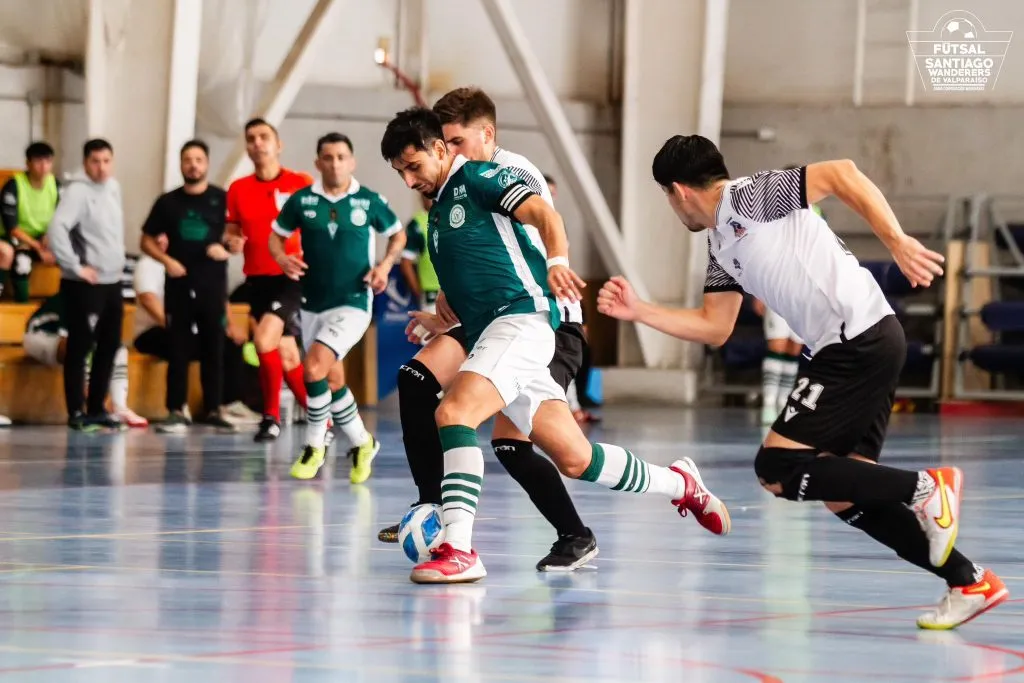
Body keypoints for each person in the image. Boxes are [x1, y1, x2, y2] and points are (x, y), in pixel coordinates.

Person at [597, 134, 1008, 630]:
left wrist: (897, 242)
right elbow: (715, 326)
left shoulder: (748, 197)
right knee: (845, 491)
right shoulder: (719, 241)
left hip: (855, 339)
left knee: (778, 467)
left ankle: (927, 487)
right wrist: (640, 312)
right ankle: (969, 581)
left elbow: (842, 173)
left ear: (678, 191)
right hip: (856, 342)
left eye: (666, 196)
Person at [380, 107, 728, 585]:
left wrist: (558, 261)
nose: (408, 180)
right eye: (400, 172)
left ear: (440, 149)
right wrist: (439, 322)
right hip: (492, 332)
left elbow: (544, 213)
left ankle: (457, 545)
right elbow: (475, 284)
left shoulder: (480, 178)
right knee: (576, 459)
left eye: (413, 167)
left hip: (522, 323)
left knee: (454, 413)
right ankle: (680, 483)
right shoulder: (438, 211)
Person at [377, 88, 601, 572]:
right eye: (446, 142)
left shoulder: (506, 174)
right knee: (415, 380)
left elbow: (537, 234)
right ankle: (432, 508)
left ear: (486, 135)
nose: (452, 152)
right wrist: (444, 315)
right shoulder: (446, 191)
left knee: (528, 448)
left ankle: (576, 531)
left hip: (542, 317)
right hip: (486, 318)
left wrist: (559, 265)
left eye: (456, 141)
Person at [270, 132, 404, 483]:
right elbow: (276, 236)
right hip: (312, 304)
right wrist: (282, 258)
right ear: (318, 163)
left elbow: (398, 234)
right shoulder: (301, 201)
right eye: (328, 157)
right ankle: (362, 442)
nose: (335, 163)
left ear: (352, 161)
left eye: (341, 157)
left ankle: (316, 444)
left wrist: (386, 265)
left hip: (354, 302)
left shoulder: (368, 201)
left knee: (312, 368)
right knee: (331, 377)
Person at [139, 139, 238, 430]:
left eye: (198, 159)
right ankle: (176, 410)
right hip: (179, 287)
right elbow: (145, 240)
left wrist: (228, 249)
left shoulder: (222, 199)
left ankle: (214, 409)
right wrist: (166, 260)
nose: (193, 165)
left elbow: (239, 237)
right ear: (181, 165)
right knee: (178, 349)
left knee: (214, 348)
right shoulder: (168, 202)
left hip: (212, 287)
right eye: (187, 160)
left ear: (206, 164)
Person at [224, 118, 312, 441]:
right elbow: (232, 231)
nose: (257, 143)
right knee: (286, 354)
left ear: (278, 144)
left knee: (263, 341)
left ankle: (270, 417)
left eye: (264, 137)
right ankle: (324, 424)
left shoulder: (300, 183)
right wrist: (231, 242)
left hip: (291, 276)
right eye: (251, 139)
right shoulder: (238, 189)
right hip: (257, 280)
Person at [47, 139, 127, 431]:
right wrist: (75, 266)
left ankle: (97, 408)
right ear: (85, 163)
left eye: (107, 160)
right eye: (95, 161)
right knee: (80, 347)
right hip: (84, 284)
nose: (101, 167)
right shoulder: (77, 192)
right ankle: (76, 411)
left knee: (109, 345)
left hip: (112, 281)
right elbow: (56, 228)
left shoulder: (113, 187)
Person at [132, 254, 260, 431]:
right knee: (181, 343)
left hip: (192, 328)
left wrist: (229, 326)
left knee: (227, 344)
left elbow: (218, 296)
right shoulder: (149, 263)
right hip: (153, 331)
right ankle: (178, 408)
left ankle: (227, 405)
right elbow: (148, 298)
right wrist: (173, 325)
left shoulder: (193, 261)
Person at [23, 291, 147, 428]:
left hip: (72, 339)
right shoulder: (76, 298)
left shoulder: (106, 301)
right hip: (39, 336)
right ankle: (85, 406)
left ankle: (120, 407)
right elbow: (73, 345)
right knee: (79, 346)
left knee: (117, 348)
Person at [0, 141, 59, 302]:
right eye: (38, 161)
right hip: (17, 238)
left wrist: (49, 241)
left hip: (44, 238)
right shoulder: (14, 185)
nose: (43, 166)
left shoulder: (55, 185)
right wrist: (38, 246)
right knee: (22, 262)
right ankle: (21, 307)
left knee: (72, 254)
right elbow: (12, 228)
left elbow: (62, 220)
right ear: (28, 163)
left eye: (47, 161)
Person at [399, 194, 439, 313]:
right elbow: (406, 262)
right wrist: (418, 291)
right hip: (431, 292)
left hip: (457, 291)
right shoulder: (417, 224)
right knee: (435, 331)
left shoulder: (455, 217)